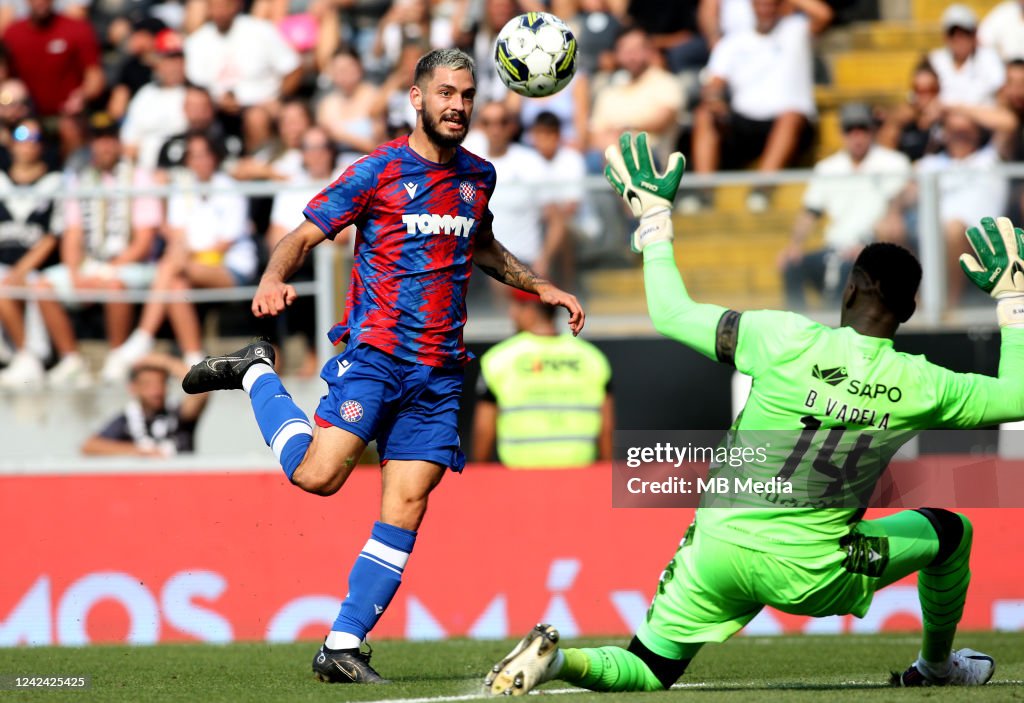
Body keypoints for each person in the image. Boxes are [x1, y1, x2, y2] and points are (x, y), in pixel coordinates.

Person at [484, 132, 1015, 694]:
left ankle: (559, 663)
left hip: (720, 549)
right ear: (907, 310)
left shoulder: (782, 337)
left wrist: (656, 219)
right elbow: (1017, 396)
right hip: (816, 569)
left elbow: (670, 312)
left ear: (849, 290)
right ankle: (935, 668)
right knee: (951, 531)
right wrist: (1013, 301)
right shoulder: (922, 383)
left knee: (649, 669)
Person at [179, 48, 585, 684]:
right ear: (416, 99)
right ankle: (255, 371)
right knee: (318, 477)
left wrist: (541, 286)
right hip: (376, 356)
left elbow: (481, 244)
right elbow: (302, 235)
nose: (458, 105)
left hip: (439, 373)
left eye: (467, 95)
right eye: (445, 93)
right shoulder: (379, 170)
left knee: (408, 503)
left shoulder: (479, 176)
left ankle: (342, 644)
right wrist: (272, 277)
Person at [686, 0, 826, 213]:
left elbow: (823, 14)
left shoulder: (796, 29)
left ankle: (762, 189)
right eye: (760, 4)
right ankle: (703, 193)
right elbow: (714, 83)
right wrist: (715, 100)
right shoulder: (733, 41)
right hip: (745, 124)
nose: (766, 9)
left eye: (772, 4)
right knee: (704, 114)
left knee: (790, 115)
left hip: (791, 124)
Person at [779, 103, 911, 309]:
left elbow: (898, 210)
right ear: (842, 133)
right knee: (792, 265)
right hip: (835, 247)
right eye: (850, 129)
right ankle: (797, 322)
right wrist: (794, 245)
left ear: (872, 130)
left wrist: (871, 246)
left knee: (847, 272)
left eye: (862, 129)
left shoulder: (893, 163)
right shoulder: (827, 168)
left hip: (872, 248)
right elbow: (811, 211)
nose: (857, 136)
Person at [473, 288, 612, 468]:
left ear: (529, 310)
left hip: (519, 477)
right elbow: (606, 429)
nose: (511, 314)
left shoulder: (499, 359)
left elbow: (484, 429)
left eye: (515, 306)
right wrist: (606, 475)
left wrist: (480, 475)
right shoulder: (592, 358)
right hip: (579, 476)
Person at [81, 352, 209, 456]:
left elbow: (202, 391)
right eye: (148, 384)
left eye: (161, 383)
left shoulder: (179, 413)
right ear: (133, 388)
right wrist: (139, 452)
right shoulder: (126, 419)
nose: (156, 391)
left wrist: (166, 362)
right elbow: (90, 446)